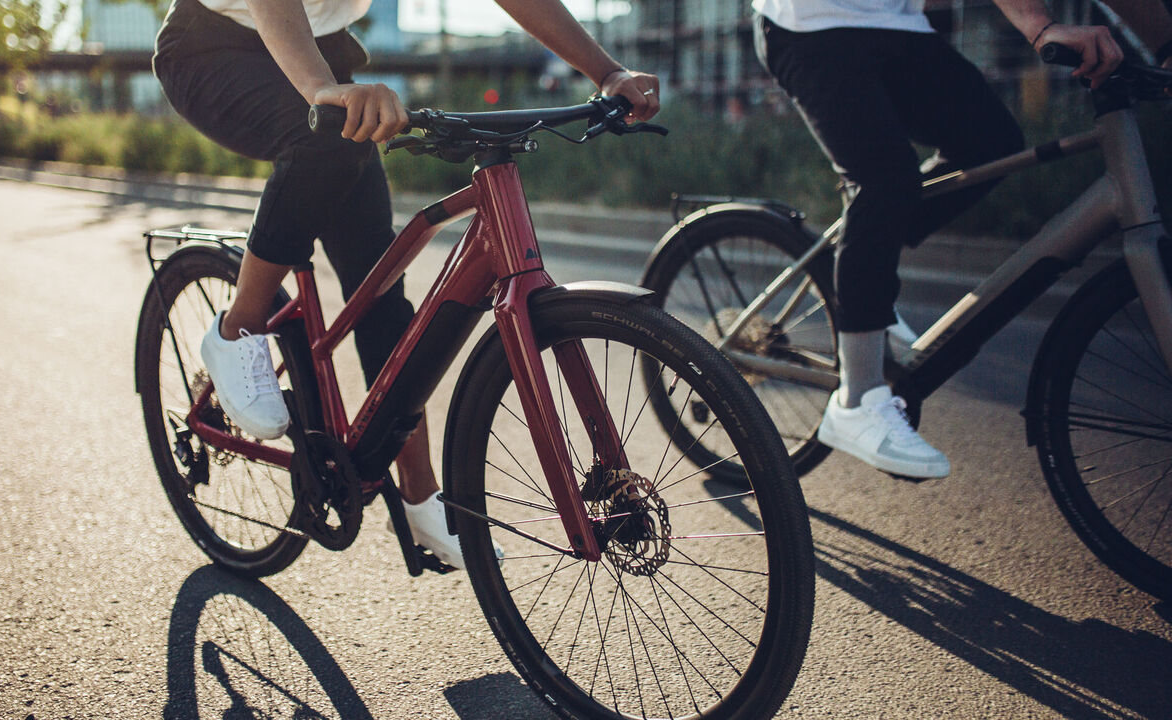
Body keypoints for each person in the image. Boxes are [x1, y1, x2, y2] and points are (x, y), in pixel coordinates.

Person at [151, 0, 659, 568]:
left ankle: (420, 497)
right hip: (213, 50)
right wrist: (322, 88)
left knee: (380, 283)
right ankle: (237, 328)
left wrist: (607, 72)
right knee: (326, 141)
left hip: (323, 46)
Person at [751, 0, 1171, 479]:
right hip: (809, 22)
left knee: (990, 142)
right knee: (885, 180)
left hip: (897, 23)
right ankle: (858, 398)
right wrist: (1041, 25)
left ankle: (867, 250)